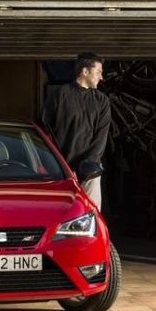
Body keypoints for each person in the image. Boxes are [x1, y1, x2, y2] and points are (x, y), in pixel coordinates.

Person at [40, 52, 111, 207]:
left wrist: (87, 167)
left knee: (91, 213)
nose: (101, 77)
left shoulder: (102, 101)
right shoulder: (60, 95)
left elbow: (101, 138)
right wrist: (58, 164)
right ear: (85, 71)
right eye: (98, 72)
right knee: (62, 211)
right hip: (61, 172)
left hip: (90, 173)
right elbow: (45, 130)